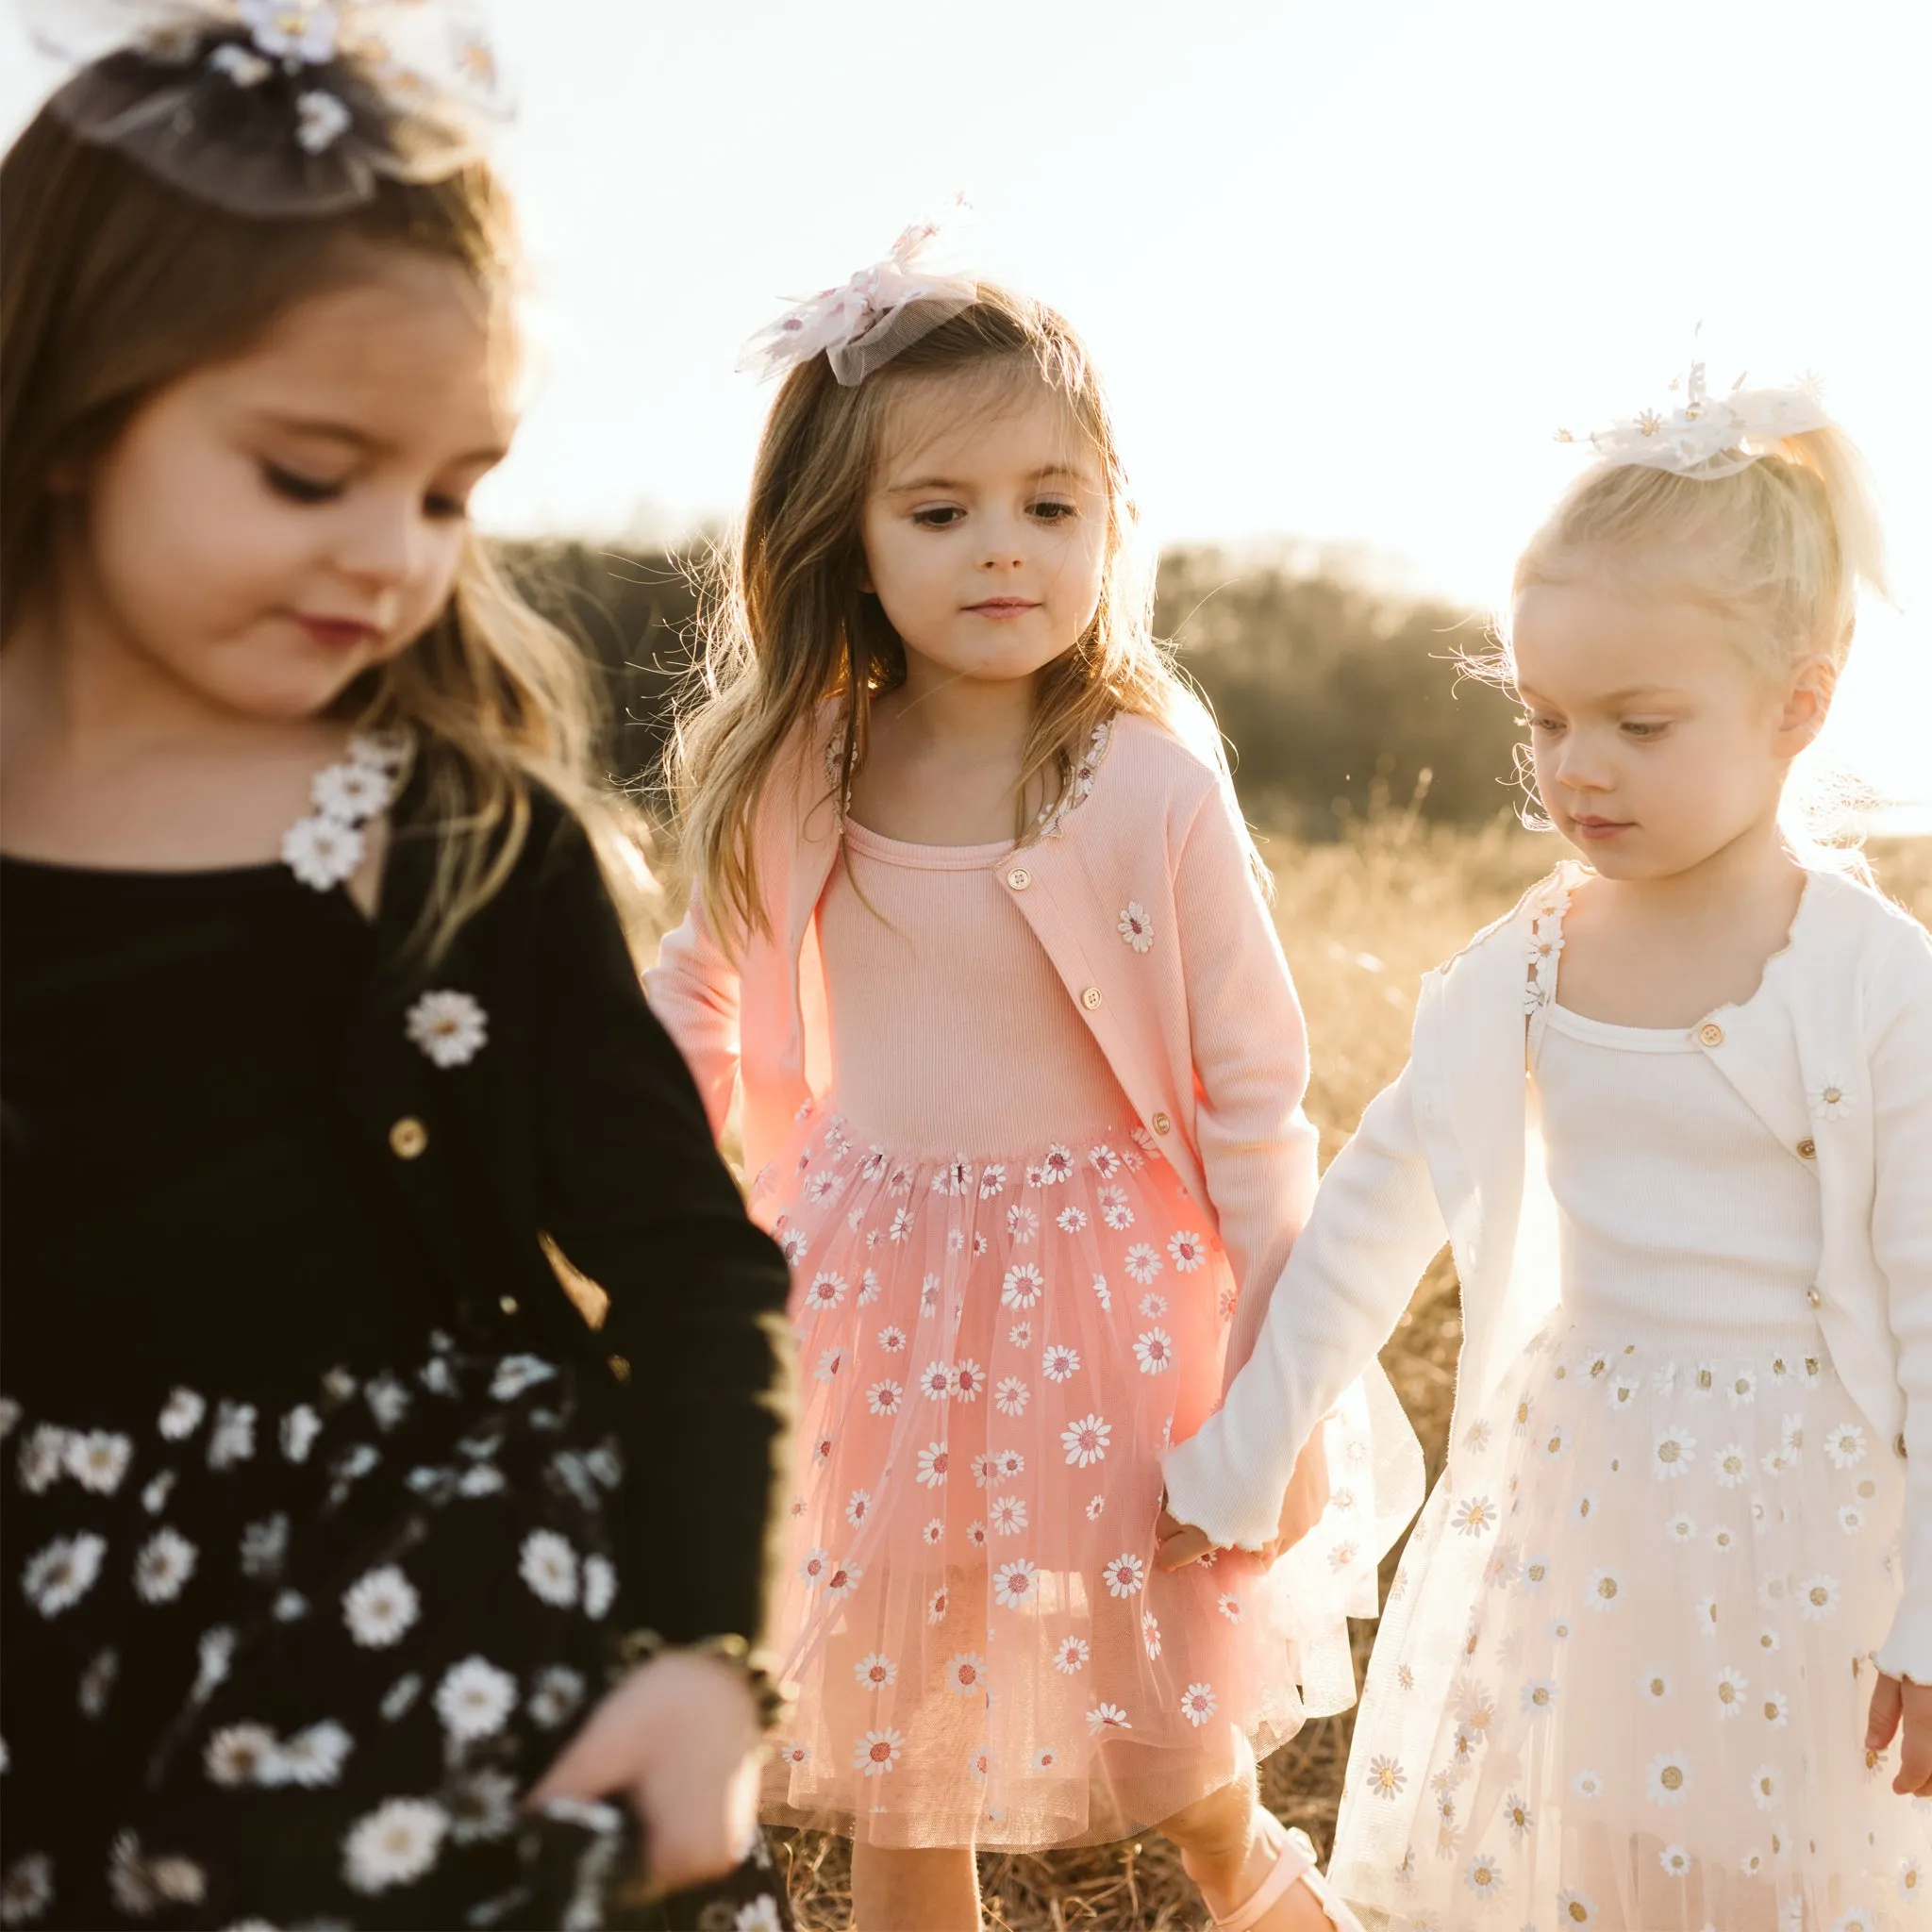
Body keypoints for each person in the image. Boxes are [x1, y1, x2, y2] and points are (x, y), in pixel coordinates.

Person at [0, 7, 795, 1925]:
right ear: (63, 409)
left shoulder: (447, 842)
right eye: (308, 472)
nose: (394, 555)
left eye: (449, 491)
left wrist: (703, 1656)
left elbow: (692, 1267)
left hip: (419, 1645)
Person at [647, 222, 1417, 1932]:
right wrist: (637, 1216)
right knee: (899, 1731)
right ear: (844, 538)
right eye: (943, 512)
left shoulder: (1147, 783)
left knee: (1175, 1740)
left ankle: (1276, 1901)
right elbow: (691, 1000)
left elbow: (1255, 1105)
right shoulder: (801, 770)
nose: (1005, 551)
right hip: (868, 1296)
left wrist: (1275, 1388)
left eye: (1050, 506)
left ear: (1109, 522)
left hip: (1111, 1306)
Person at [1159, 364, 1932, 1928]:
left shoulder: (1871, 979)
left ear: (1802, 702)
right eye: (1549, 719)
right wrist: (1247, 1449)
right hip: (1579, 1500)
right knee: (1586, 1853)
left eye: (1640, 726)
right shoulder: (1529, 961)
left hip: (1805, 1520)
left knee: (1769, 1866)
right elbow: (1382, 1202)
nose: (1578, 768)